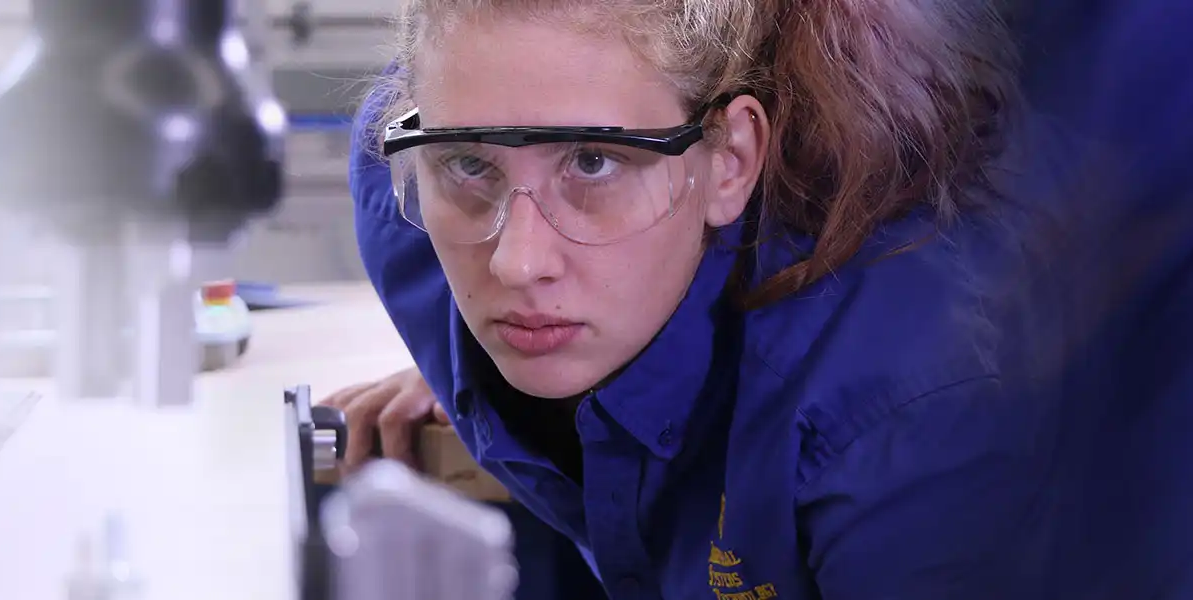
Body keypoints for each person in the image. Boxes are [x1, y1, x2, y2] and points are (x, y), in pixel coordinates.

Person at [322, 0, 1067, 597]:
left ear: (730, 161)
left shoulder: (898, 409)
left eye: (593, 162)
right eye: (468, 164)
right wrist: (474, 375)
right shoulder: (409, 208)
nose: (517, 265)